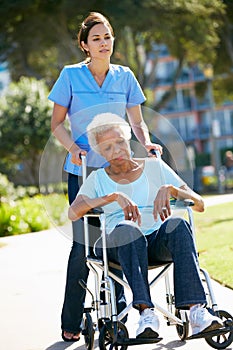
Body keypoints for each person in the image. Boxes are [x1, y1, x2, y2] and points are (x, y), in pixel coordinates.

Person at [48, 12, 162, 342]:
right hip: (83, 172)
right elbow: (56, 123)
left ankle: (122, 310)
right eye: (96, 38)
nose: (104, 43)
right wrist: (72, 147)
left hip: (118, 170)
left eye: (108, 36)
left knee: (120, 236)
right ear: (85, 45)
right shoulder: (70, 76)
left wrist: (147, 142)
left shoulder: (125, 76)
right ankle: (71, 318)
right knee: (84, 246)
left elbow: (137, 122)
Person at [68, 113, 223, 339]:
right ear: (101, 153)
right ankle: (146, 314)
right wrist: (112, 197)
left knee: (178, 224)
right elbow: (73, 212)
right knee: (127, 229)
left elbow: (199, 204)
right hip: (118, 245)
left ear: (128, 140)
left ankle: (197, 312)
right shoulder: (98, 179)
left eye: (120, 142)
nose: (117, 150)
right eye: (108, 147)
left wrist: (171, 189)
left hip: (155, 244)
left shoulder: (155, 168)